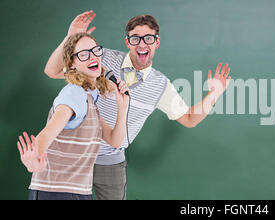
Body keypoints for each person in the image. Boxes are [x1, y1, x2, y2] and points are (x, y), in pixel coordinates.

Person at [44, 11, 231, 200]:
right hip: (75, 153)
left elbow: (190, 119)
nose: (142, 44)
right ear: (128, 42)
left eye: (148, 38)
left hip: (111, 160)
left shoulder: (161, 86)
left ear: (157, 42)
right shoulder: (102, 59)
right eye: (135, 38)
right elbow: (53, 71)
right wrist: (70, 37)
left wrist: (214, 94)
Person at [17, 32, 130, 200]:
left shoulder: (88, 98)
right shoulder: (74, 94)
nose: (92, 57)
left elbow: (115, 140)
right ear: (72, 64)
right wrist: (33, 159)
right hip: (57, 192)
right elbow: (48, 132)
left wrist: (123, 107)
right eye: (83, 54)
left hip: (77, 191)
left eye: (95, 51)